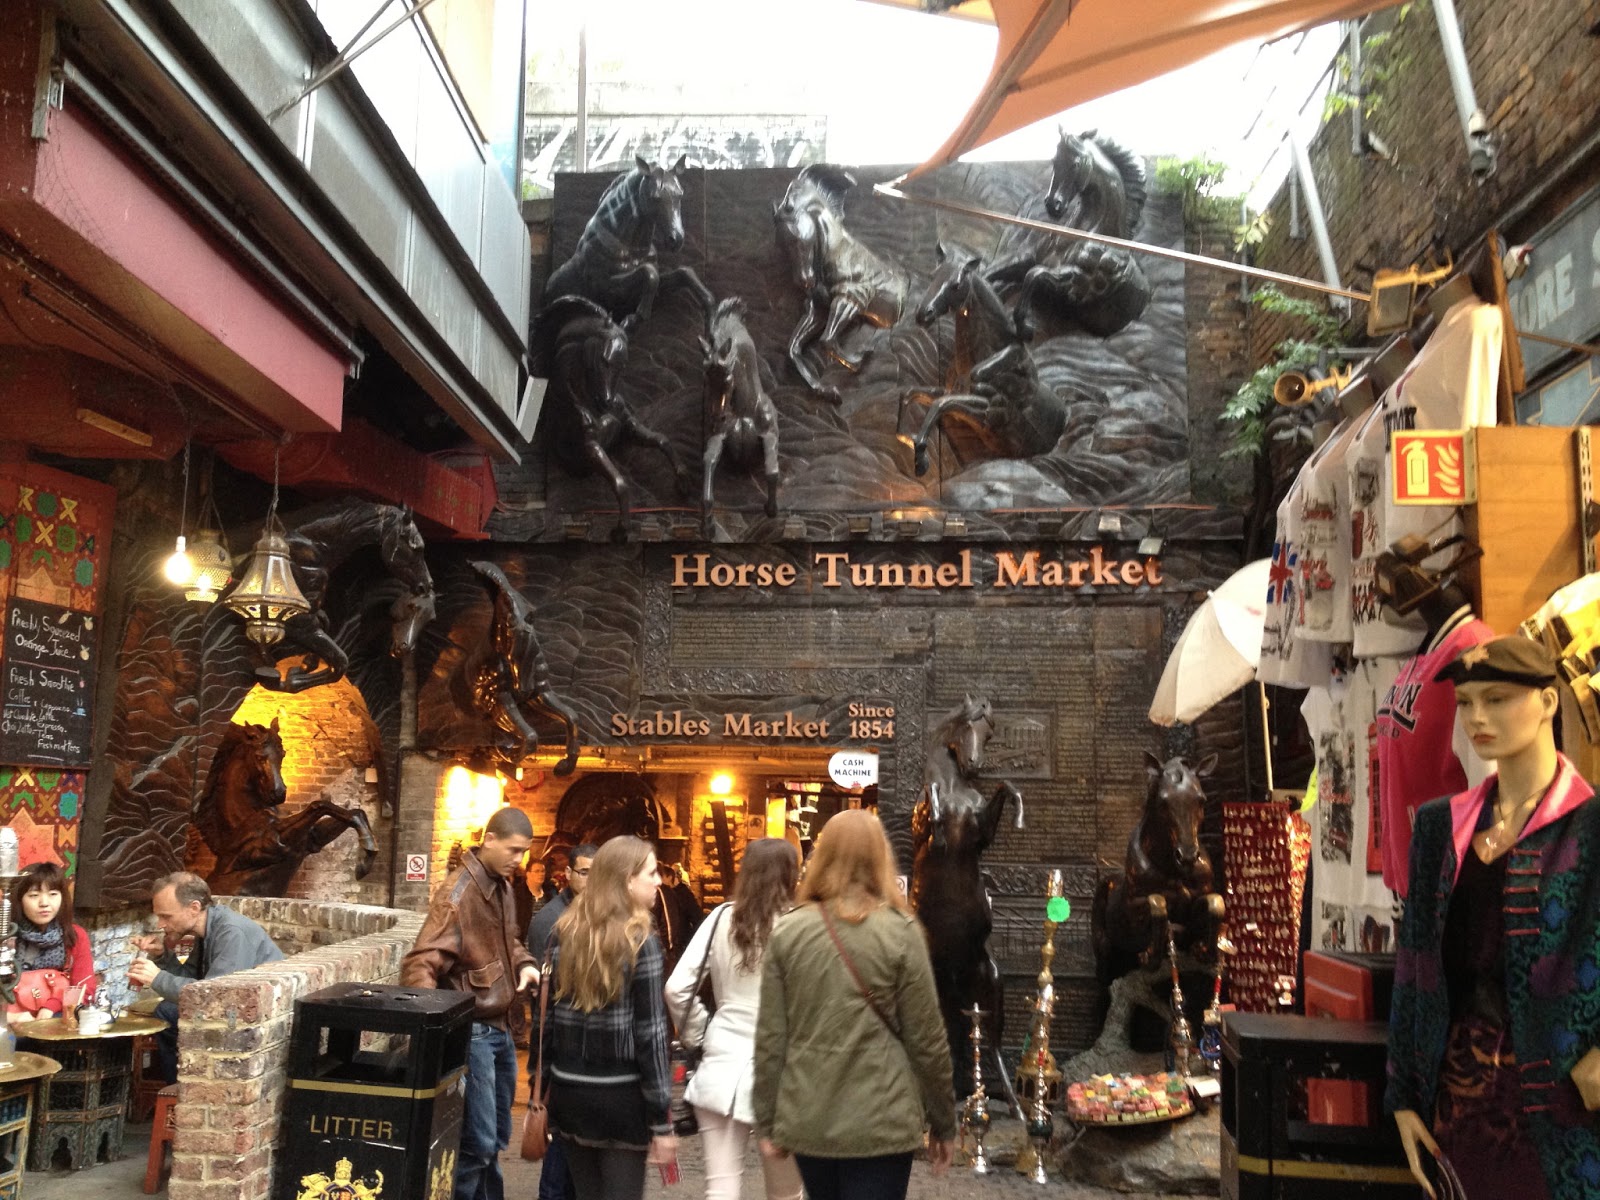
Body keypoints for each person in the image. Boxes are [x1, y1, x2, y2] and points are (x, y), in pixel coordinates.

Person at [1387, 637, 1600, 1200]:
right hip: (1458, 1103)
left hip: (1565, 1111)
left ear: (1548, 702)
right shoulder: (1441, 826)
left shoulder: (1591, 825)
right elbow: (1413, 968)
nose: (1477, 717)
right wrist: (1403, 1097)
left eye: (1497, 699)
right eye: (1466, 702)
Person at [752, 810, 957, 1200]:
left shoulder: (789, 932)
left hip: (811, 1115)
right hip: (883, 1118)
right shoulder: (901, 931)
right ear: (881, 857)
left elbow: (771, 1038)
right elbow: (927, 1040)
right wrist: (944, 1122)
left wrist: (767, 1119)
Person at [403, 807, 541, 1200]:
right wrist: (435, 1036)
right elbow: (420, 964)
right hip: (474, 1033)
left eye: (524, 852)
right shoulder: (458, 895)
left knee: (495, 1137)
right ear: (490, 840)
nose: (519, 859)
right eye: (514, 850)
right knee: (478, 1142)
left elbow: (509, 940)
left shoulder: (502, 887)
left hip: (499, 1028)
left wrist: (524, 964)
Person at [664, 840, 804, 1200]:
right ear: (791, 875)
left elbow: (677, 988)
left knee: (721, 1189)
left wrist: (700, 1032)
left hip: (722, 1064)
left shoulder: (721, 918)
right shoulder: (801, 925)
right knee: (786, 1194)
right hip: (784, 1071)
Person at [539, 836, 677, 1200]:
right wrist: (661, 1120)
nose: (658, 881)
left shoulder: (564, 933)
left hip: (569, 1094)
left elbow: (546, 1022)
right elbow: (651, 1035)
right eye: (651, 873)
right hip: (621, 1099)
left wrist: (542, 1087)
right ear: (627, 880)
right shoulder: (641, 941)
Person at [127, 871, 285, 1084]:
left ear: (194, 908)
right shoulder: (203, 931)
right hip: (235, 1012)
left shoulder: (231, 932)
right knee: (166, 1009)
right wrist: (162, 956)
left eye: (166, 916)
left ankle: (178, 1089)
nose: (161, 924)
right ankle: (177, 1087)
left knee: (166, 1011)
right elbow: (190, 979)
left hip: (257, 1021)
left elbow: (214, 997)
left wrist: (157, 978)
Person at [525, 841, 596, 1200]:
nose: (591, 880)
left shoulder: (599, 914)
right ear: (568, 874)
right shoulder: (550, 921)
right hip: (561, 1059)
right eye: (584, 872)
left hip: (587, 1062)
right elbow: (542, 1002)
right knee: (558, 1170)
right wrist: (539, 1072)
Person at [7, 861, 96, 1022]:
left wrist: (52, 1006)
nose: (44, 903)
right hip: (10, 1021)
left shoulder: (75, 936)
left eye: (53, 894)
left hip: (57, 1019)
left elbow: (85, 988)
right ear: (20, 899)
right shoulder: (6, 937)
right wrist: (12, 1017)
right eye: (34, 895)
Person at [651, 856, 704, 977]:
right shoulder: (663, 893)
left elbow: (670, 925)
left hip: (670, 953)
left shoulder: (665, 893)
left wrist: (669, 952)